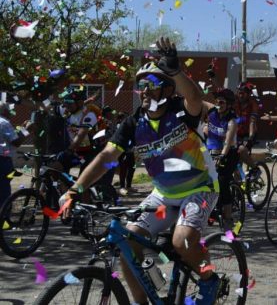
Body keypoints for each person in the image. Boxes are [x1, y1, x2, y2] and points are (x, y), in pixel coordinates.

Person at [59, 38, 221, 305]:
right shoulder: (133, 123)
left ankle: (208, 280)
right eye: (140, 86)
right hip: (163, 195)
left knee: (183, 242)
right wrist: (76, 189)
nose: (144, 91)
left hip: (200, 189)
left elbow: (194, 97)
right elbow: (106, 156)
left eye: (151, 85)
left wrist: (175, 70)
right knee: (128, 242)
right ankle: (141, 301)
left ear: (168, 90)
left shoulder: (182, 112)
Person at [204, 88, 239, 231]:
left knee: (223, 183)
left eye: (222, 102)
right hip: (210, 151)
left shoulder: (232, 121)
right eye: (217, 101)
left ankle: (228, 219)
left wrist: (222, 156)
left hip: (228, 153)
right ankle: (208, 209)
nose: (219, 103)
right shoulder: (211, 113)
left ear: (229, 104)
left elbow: (228, 142)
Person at [60, 89, 99, 174]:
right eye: (65, 102)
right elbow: (44, 106)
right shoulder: (69, 110)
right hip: (76, 151)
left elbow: (81, 134)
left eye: (69, 103)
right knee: (57, 169)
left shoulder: (89, 114)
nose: (66, 105)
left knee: (83, 178)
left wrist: (69, 151)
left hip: (90, 153)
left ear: (80, 103)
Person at [0, 102, 25, 206]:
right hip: (3, 161)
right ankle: (4, 216)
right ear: (5, 111)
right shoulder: (4, 123)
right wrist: (26, 130)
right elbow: (16, 142)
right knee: (4, 190)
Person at [234, 81, 260, 178]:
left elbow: (252, 122)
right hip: (237, 133)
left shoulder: (253, 104)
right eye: (239, 92)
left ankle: (255, 169)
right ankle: (238, 185)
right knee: (234, 161)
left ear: (248, 94)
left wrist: (250, 138)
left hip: (249, 133)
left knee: (241, 152)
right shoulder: (235, 101)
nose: (240, 95)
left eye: (242, 93)